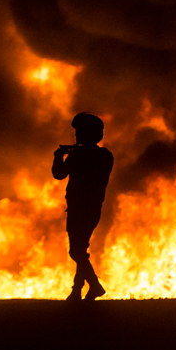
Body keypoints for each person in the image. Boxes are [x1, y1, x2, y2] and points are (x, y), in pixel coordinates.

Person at [52, 112, 114, 301]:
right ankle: (77, 290)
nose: (77, 135)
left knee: (76, 251)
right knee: (81, 249)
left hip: (79, 209)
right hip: (93, 209)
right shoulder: (105, 155)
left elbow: (59, 174)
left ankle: (94, 286)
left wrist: (58, 157)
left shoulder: (79, 155)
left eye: (80, 132)